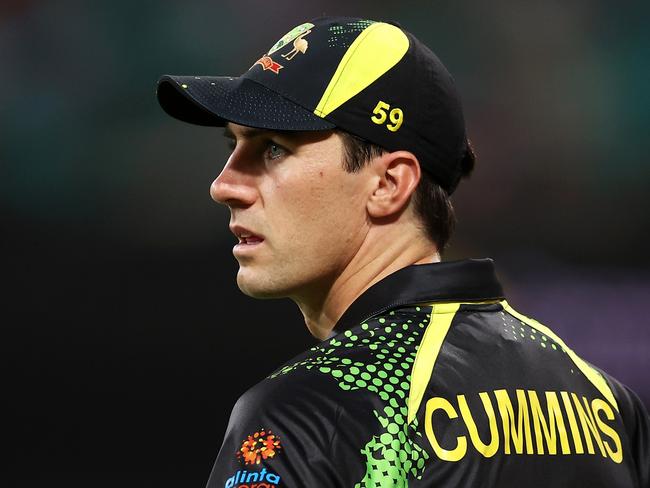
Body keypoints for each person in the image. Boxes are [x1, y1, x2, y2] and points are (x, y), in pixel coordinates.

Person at [156, 16, 649, 488]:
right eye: (232, 146)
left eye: (274, 148)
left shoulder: (316, 408)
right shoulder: (605, 403)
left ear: (390, 184)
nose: (224, 186)